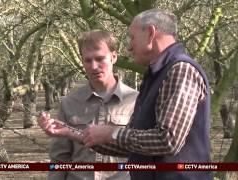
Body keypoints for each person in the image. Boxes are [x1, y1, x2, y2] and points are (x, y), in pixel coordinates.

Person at [39, 9, 212, 180]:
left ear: (151, 34)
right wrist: (72, 133)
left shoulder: (180, 70)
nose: (129, 46)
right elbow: (134, 145)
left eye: (132, 37)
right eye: (88, 60)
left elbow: (168, 140)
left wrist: (111, 133)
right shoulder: (157, 76)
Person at [40, 30, 138, 180]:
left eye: (100, 59)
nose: (93, 66)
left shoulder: (136, 101)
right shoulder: (69, 103)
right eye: (88, 60)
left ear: (114, 57)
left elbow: (143, 152)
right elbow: (59, 158)